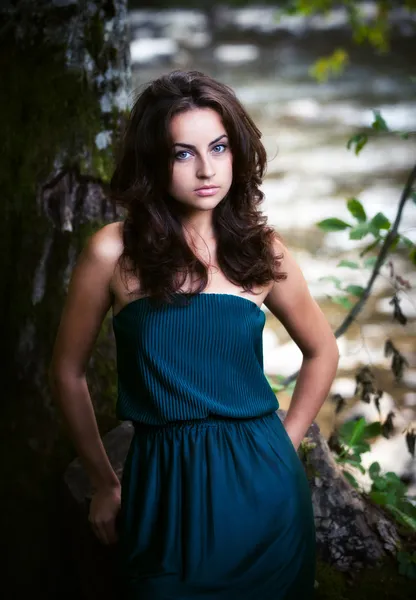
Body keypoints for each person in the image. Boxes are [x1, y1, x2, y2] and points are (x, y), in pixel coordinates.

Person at [49, 69, 339, 599]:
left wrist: (285, 440)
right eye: (183, 153)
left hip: (265, 490)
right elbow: (66, 373)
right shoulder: (113, 251)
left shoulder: (260, 249)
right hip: (163, 487)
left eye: (219, 147)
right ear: (152, 163)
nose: (207, 169)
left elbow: (322, 350)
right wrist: (104, 482)